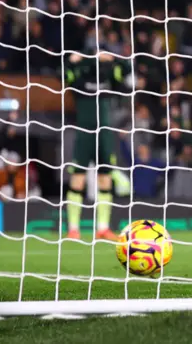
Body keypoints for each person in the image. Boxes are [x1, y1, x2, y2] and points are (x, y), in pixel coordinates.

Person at [64, 50, 133, 241]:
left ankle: (102, 228)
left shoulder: (108, 76)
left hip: (104, 134)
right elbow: (62, 75)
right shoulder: (79, 75)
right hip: (84, 133)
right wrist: (71, 60)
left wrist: (114, 57)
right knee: (78, 178)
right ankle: (73, 229)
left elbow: (127, 70)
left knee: (105, 179)